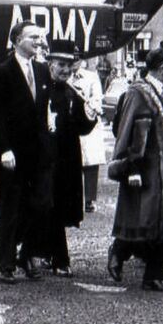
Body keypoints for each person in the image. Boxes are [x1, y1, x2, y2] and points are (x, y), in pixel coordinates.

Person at [107, 47, 163, 292]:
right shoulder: (137, 93)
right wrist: (130, 169)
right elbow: (127, 131)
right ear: (161, 67)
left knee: (161, 221)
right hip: (145, 168)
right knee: (145, 219)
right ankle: (120, 252)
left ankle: (153, 275)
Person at [0, 21, 52, 285]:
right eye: (33, 36)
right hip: (12, 154)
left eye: (41, 36)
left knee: (39, 206)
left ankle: (27, 255)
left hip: (38, 153)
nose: (39, 41)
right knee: (10, 209)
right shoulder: (0, 72)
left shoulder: (42, 70)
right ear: (16, 40)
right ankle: (5, 264)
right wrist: (3, 149)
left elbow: (44, 112)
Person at [42, 40, 98, 276]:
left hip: (66, 158)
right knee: (45, 207)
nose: (66, 70)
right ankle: (53, 257)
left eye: (69, 65)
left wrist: (90, 116)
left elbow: (81, 129)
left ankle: (53, 256)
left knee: (58, 208)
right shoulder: (40, 89)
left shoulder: (72, 92)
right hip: (44, 158)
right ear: (50, 64)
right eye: (61, 65)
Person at [70, 58, 106, 213]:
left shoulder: (91, 77)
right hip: (71, 124)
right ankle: (73, 197)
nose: (74, 63)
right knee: (72, 162)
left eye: (77, 59)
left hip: (88, 122)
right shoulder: (65, 77)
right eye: (72, 59)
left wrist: (89, 111)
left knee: (91, 163)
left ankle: (90, 199)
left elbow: (97, 98)